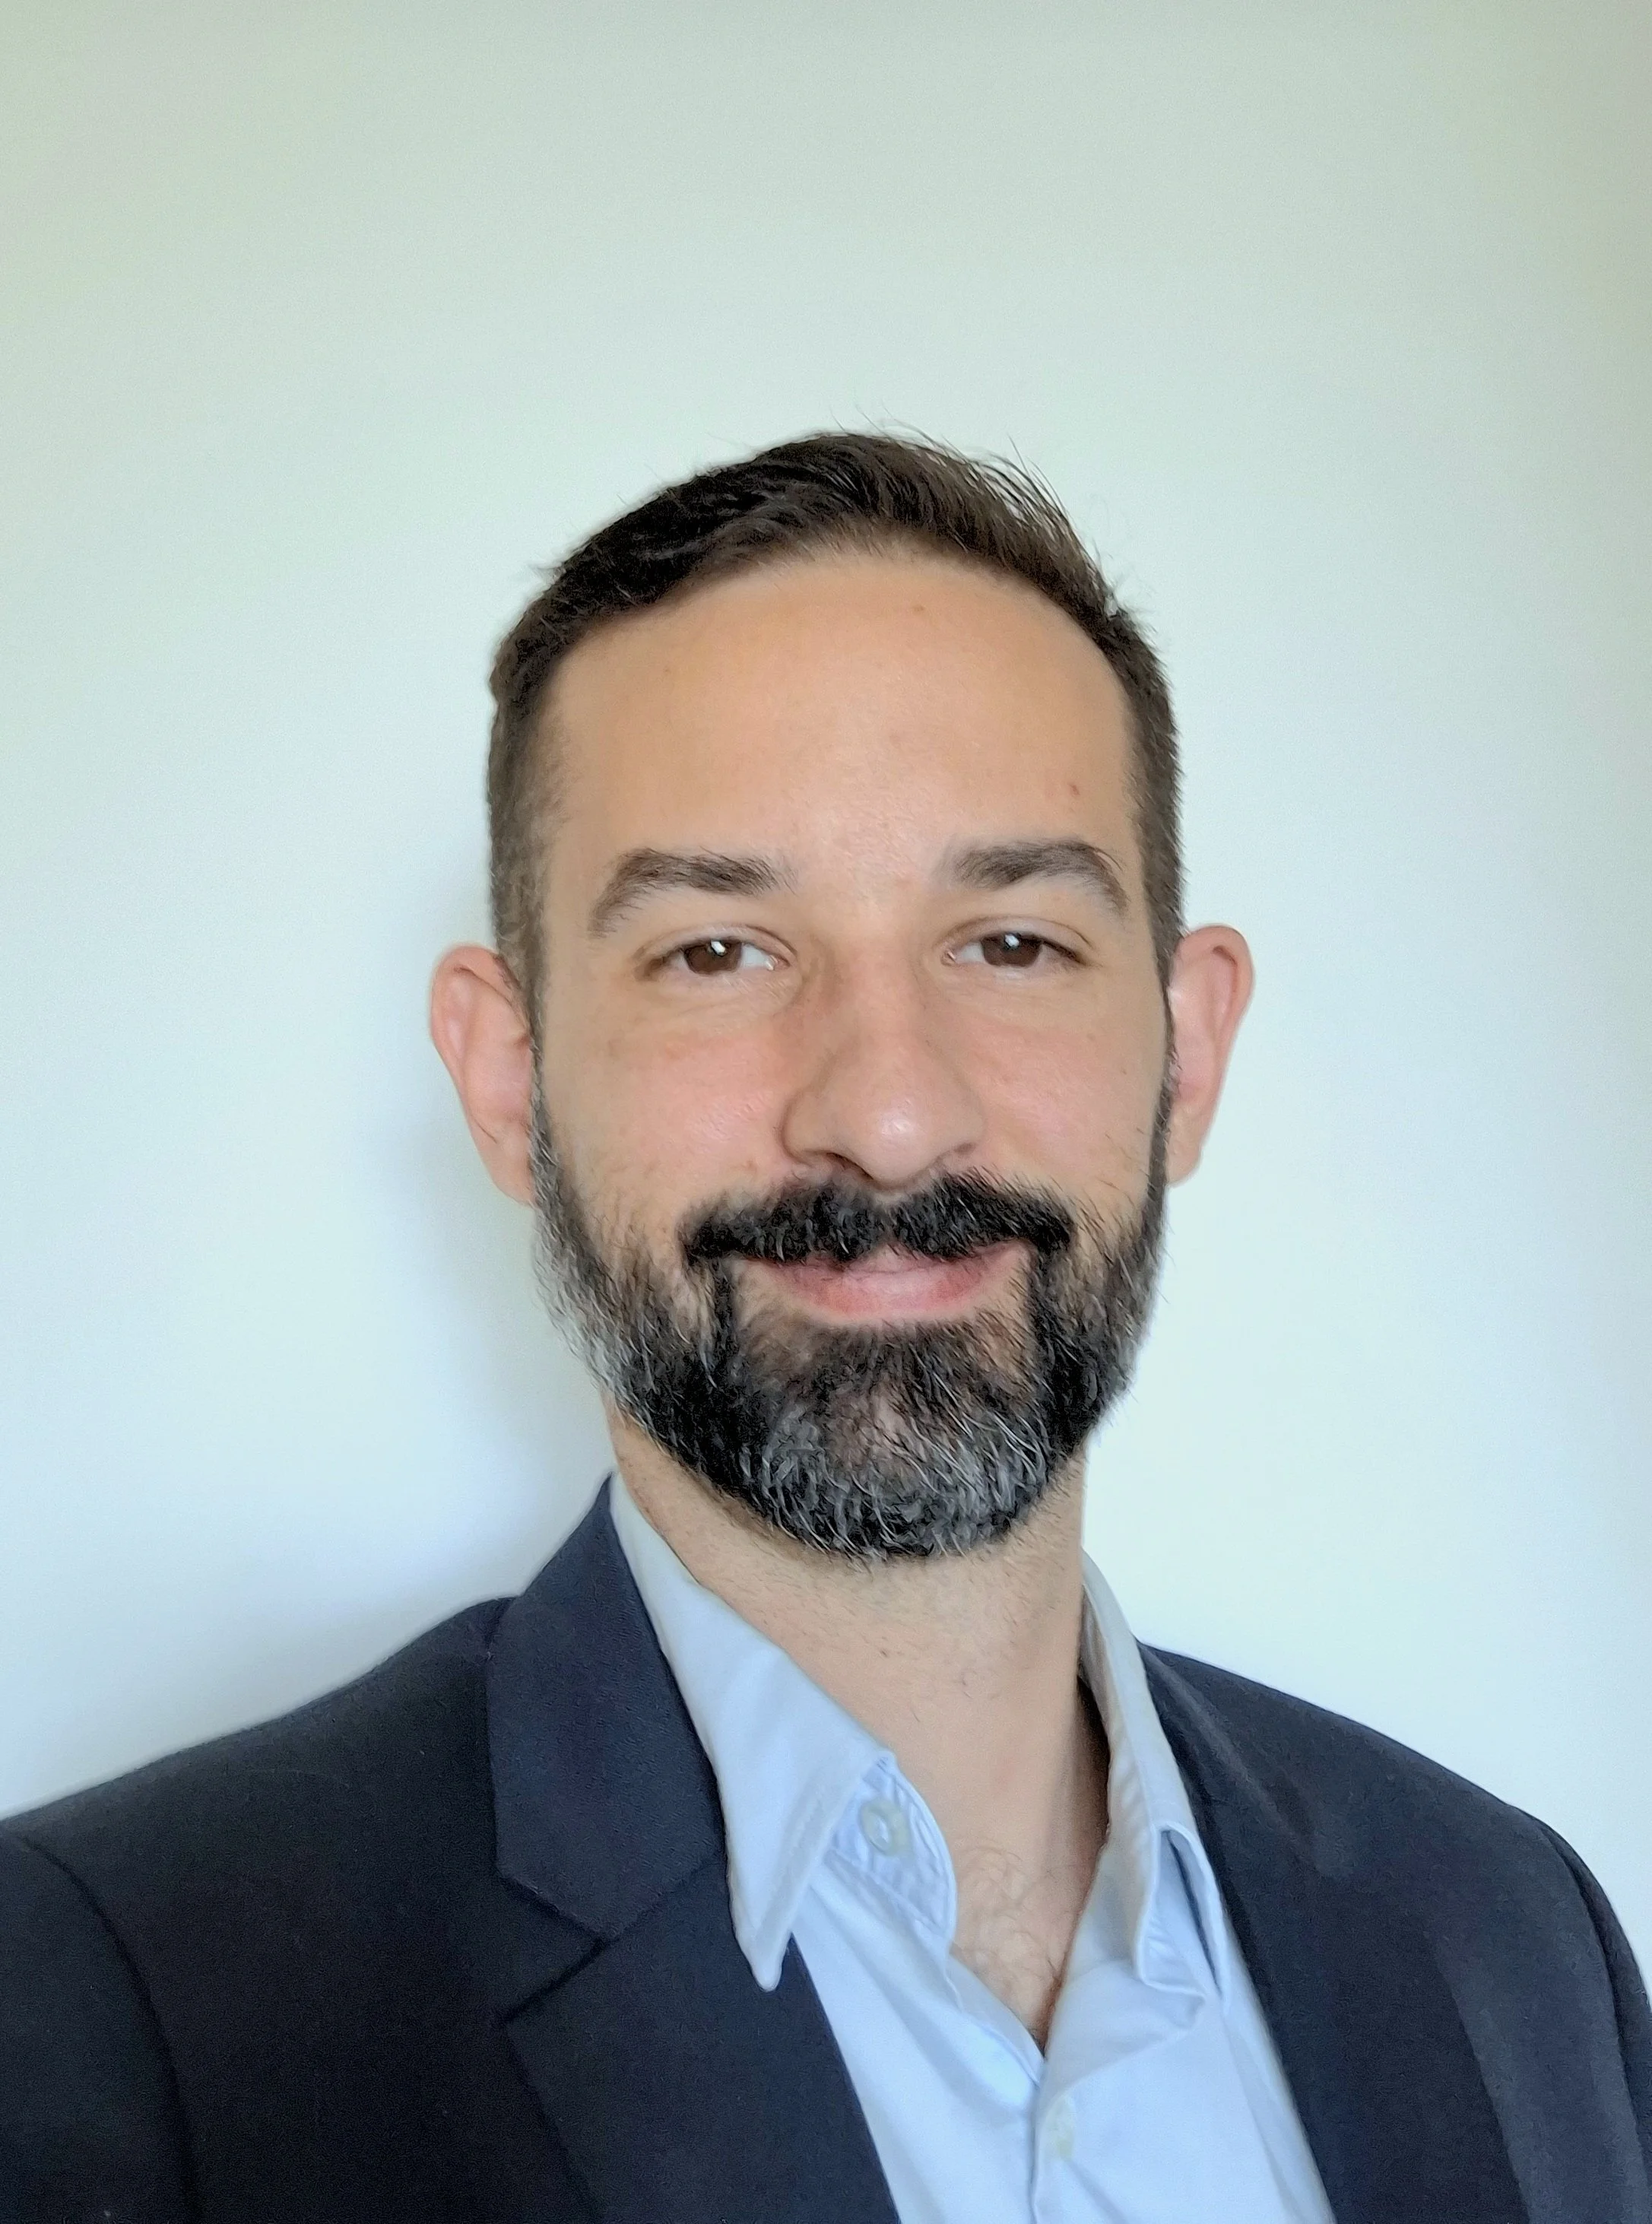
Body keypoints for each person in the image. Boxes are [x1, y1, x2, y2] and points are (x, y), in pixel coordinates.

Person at [2, 435, 1647, 2224]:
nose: (886, 1115)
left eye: (1011, 943)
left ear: (1188, 1051)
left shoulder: (1516, 1940)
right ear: (508, 1077)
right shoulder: (117, 2013)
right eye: (719, 950)